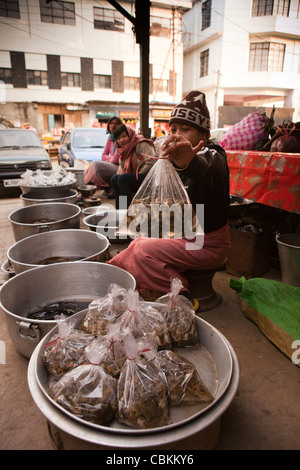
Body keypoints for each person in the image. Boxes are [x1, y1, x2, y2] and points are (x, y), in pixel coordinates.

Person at [108, 90, 231, 303]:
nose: (177, 134)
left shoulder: (214, 156)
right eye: (173, 128)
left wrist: (188, 161)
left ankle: (181, 295)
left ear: (204, 134)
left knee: (144, 251)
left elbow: (206, 169)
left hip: (207, 244)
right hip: (185, 234)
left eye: (186, 129)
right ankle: (114, 274)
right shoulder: (176, 158)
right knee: (138, 239)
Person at [110, 124, 156, 209]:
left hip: (149, 177)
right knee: (114, 179)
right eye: (119, 138)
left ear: (130, 135)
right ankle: (119, 209)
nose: (121, 140)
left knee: (123, 179)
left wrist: (136, 176)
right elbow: (124, 169)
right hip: (137, 177)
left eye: (124, 136)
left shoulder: (141, 143)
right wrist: (133, 177)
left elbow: (151, 161)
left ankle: (124, 209)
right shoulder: (123, 151)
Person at [84, 116, 123, 195]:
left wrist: (110, 160)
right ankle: (89, 190)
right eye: (111, 123)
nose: (113, 126)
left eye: (116, 124)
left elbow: (116, 159)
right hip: (120, 170)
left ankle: (87, 191)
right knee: (121, 200)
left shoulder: (120, 139)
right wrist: (111, 159)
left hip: (123, 170)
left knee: (123, 193)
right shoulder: (112, 138)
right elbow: (104, 155)